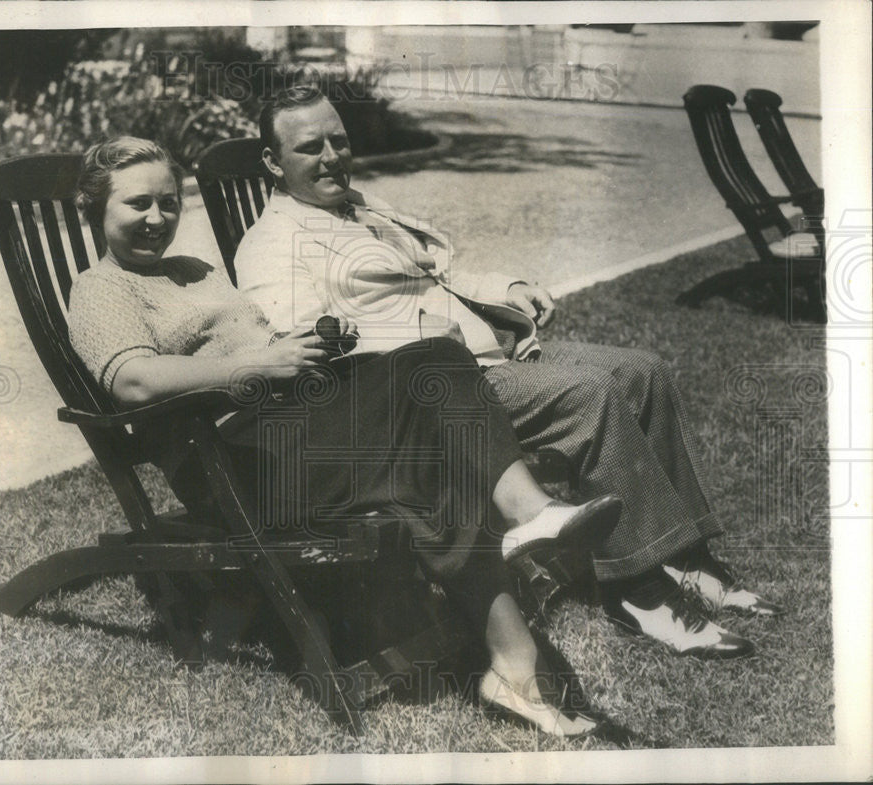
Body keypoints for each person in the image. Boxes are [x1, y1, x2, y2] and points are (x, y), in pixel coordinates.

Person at [66, 136, 626, 737]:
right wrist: (253, 368)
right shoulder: (101, 289)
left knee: (434, 376)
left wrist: (310, 348)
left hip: (291, 431)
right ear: (95, 210)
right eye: (137, 205)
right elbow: (133, 382)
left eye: (168, 203)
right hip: (237, 465)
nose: (157, 219)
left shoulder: (194, 270)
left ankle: (515, 660)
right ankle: (527, 522)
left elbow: (256, 346)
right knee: (431, 379)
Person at [234, 85, 784, 660]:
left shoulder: (360, 209)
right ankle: (638, 591)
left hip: (490, 357)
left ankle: (687, 560)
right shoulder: (271, 247)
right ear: (274, 162)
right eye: (309, 148)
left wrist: (507, 288)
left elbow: (437, 274)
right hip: (440, 391)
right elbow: (307, 350)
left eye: (338, 141)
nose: (331, 157)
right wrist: (417, 347)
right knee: (589, 395)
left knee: (642, 371)